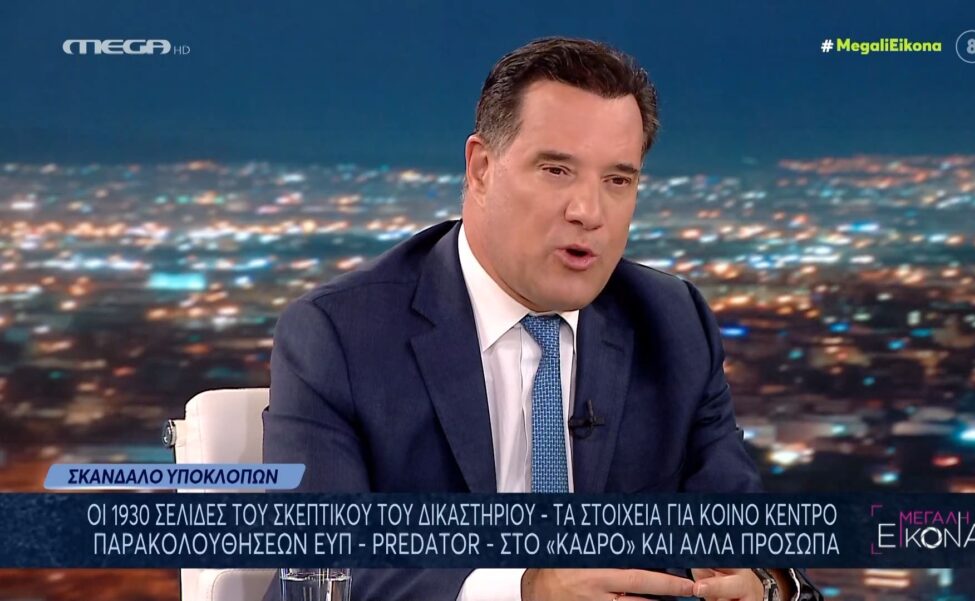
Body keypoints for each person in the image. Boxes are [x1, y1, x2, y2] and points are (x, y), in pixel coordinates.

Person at [263, 37, 823, 601]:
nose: (589, 212)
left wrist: (763, 584)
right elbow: (314, 572)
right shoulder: (341, 335)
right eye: (556, 170)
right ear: (482, 168)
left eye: (617, 180)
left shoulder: (674, 323)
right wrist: (525, 590)